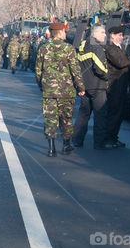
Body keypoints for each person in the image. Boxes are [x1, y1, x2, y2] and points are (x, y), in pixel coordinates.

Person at [35, 22, 85, 157]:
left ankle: (51, 149)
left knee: (50, 119)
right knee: (66, 118)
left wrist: (42, 86)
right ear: (61, 32)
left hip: (49, 91)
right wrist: (80, 87)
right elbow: (75, 70)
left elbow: (38, 71)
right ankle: (66, 145)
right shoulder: (69, 48)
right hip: (66, 91)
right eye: (64, 31)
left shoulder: (43, 48)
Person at [72, 24, 110, 149]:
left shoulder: (83, 45)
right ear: (94, 34)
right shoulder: (97, 47)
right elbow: (100, 68)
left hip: (84, 85)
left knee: (83, 114)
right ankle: (99, 143)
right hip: (97, 86)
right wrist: (108, 76)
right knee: (100, 115)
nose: (105, 35)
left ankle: (77, 140)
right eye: (103, 32)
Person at [103, 25, 130, 149]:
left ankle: (113, 137)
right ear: (112, 35)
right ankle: (109, 138)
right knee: (114, 112)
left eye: (122, 35)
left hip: (119, 84)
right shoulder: (111, 48)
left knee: (118, 112)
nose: (121, 37)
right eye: (119, 35)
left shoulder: (115, 47)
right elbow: (121, 62)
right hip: (115, 85)